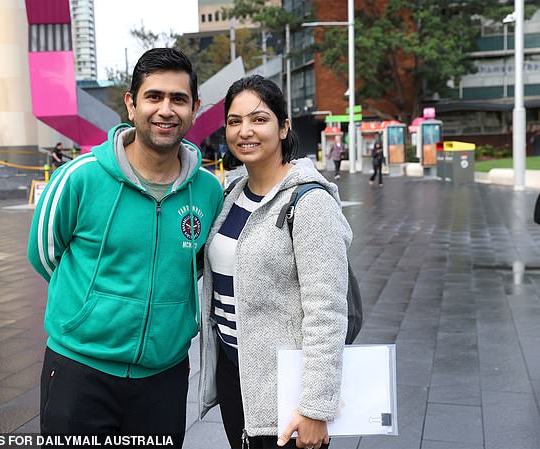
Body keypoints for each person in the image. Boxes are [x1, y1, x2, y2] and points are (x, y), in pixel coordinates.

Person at [27, 48, 223, 443]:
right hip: (79, 372)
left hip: (163, 377)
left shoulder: (208, 191)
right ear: (131, 104)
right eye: (154, 97)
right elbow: (44, 254)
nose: (166, 109)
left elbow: (197, 265)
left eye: (178, 99)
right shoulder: (79, 178)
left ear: (195, 109)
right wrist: (91, 308)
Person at [199, 75, 351, 449]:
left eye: (259, 119)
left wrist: (316, 407)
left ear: (283, 127)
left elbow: (327, 310)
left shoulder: (309, 201)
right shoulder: (232, 195)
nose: (245, 131)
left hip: (287, 387)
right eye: (235, 121)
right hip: (236, 375)